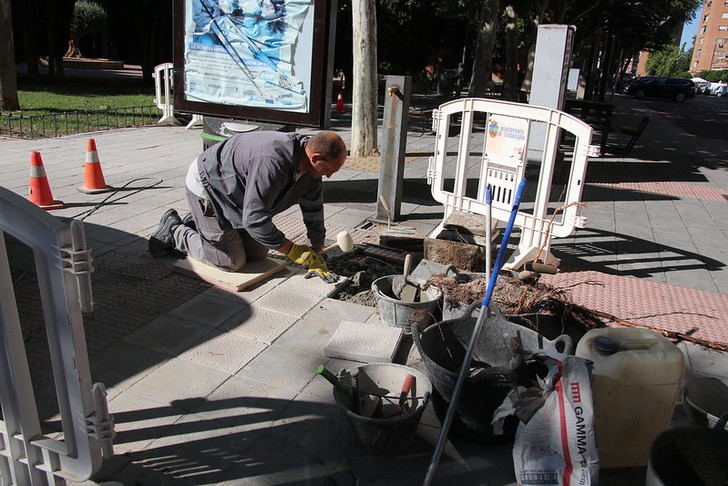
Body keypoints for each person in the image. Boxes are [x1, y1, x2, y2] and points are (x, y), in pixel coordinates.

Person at [149, 130, 347, 283]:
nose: (329, 176)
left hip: (239, 197)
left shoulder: (311, 169)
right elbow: (255, 220)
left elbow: (313, 207)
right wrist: (294, 251)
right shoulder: (273, 162)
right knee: (232, 261)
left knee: (257, 254)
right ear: (316, 158)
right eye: (329, 170)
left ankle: (202, 224)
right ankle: (175, 229)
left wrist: (317, 248)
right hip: (210, 188)